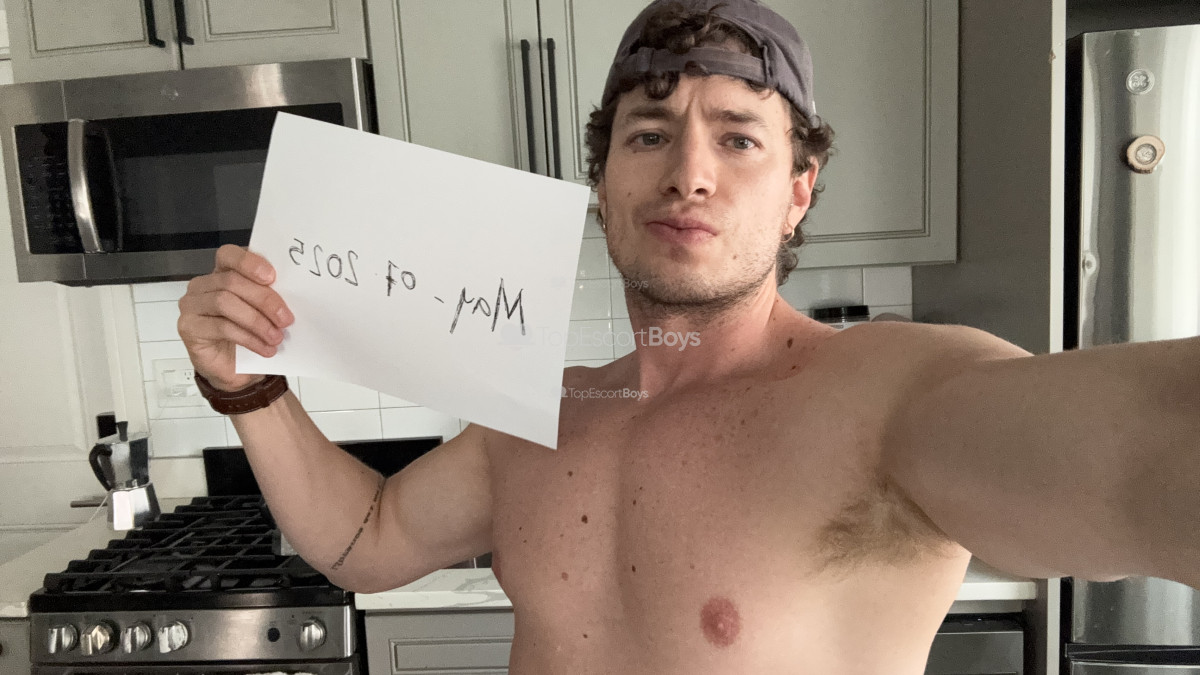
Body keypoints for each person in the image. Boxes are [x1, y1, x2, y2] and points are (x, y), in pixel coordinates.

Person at [177, 1, 1200, 672]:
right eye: (650, 135)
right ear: (603, 183)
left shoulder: (893, 394)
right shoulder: (544, 410)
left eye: (739, 137)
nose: (689, 174)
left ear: (799, 191)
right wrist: (248, 388)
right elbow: (367, 541)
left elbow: (1145, 456)